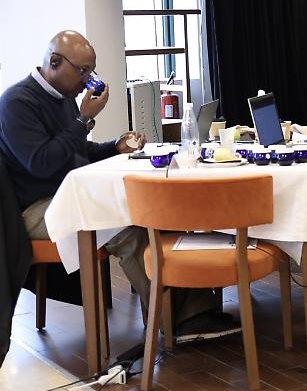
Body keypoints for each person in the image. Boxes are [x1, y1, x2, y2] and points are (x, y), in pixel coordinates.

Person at [0, 31, 238, 343]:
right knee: (128, 226)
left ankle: (190, 310)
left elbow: (77, 151)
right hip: (36, 209)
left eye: (92, 71)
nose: (89, 81)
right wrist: (83, 120)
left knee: (155, 209)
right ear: (54, 61)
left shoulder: (63, 97)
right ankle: (176, 320)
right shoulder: (17, 102)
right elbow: (42, 162)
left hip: (71, 196)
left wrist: (115, 146)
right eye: (83, 71)